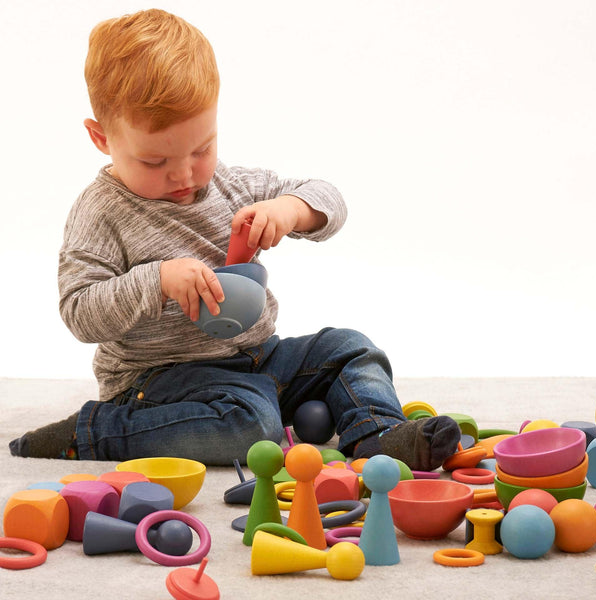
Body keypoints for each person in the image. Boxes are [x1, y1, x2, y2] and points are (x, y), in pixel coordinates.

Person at [9, 9, 460, 468]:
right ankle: (96, 432)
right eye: (154, 162)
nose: (184, 173)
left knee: (350, 348)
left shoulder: (232, 186)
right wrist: (157, 280)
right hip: (161, 380)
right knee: (251, 427)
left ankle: (377, 437)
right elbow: (79, 311)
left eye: (201, 149)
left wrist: (291, 210)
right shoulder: (102, 211)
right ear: (101, 137)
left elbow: (330, 200)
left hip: (261, 359)